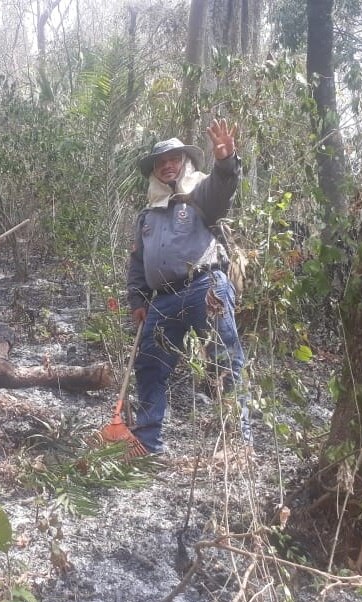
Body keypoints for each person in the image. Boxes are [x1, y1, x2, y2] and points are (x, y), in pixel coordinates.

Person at [125, 119, 250, 455]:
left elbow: (222, 189)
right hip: (163, 300)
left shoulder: (199, 194)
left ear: (185, 162)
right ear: (154, 170)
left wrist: (225, 160)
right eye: (161, 162)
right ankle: (147, 443)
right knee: (149, 365)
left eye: (174, 159)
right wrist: (138, 298)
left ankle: (237, 445)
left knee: (225, 360)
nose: (168, 165)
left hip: (205, 287)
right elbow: (138, 261)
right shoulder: (147, 215)